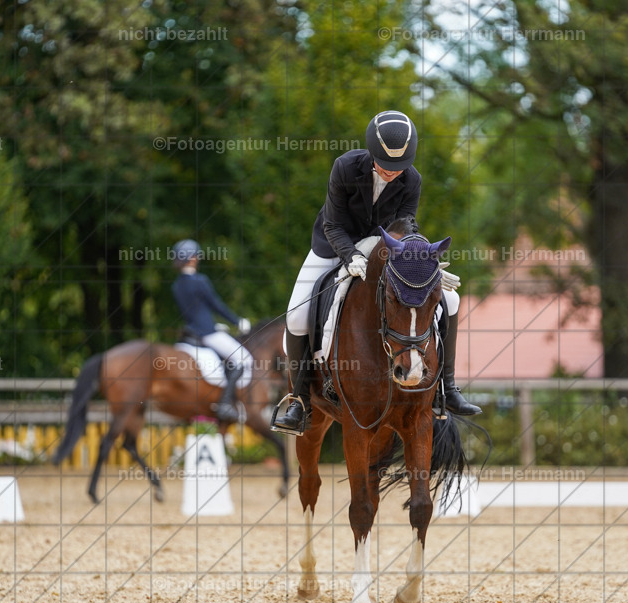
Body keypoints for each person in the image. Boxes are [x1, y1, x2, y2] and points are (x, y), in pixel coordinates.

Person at [272, 110, 480, 435]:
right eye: (385, 165)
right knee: (296, 315)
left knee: (450, 301)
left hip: (383, 251)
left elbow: (406, 227)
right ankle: (299, 400)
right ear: (372, 152)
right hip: (332, 245)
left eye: (399, 167)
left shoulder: (412, 179)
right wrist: (350, 255)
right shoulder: (345, 167)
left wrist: (427, 264)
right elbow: (333, 223)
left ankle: (447, 389)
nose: (392, 172)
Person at [171, 239, 251, 423]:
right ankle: (224, 403)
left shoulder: (176, 285)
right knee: (244, 359)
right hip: (207, 333)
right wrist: (237, 321)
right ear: (192, 258)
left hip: (190, 333)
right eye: (196, 256)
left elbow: (195, 311)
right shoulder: (200, 280)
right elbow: (216, 305)